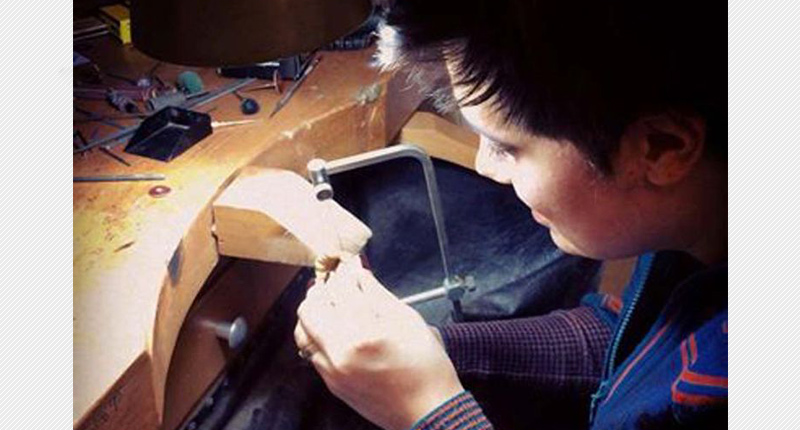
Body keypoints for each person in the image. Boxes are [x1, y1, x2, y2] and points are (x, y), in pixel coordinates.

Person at [293, 0, 727, 429]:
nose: (485, 165)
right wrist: (428, 349)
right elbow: (629, 342)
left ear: (661, 148)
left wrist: (427, 410)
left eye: (507, 147)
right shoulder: (696, 238)